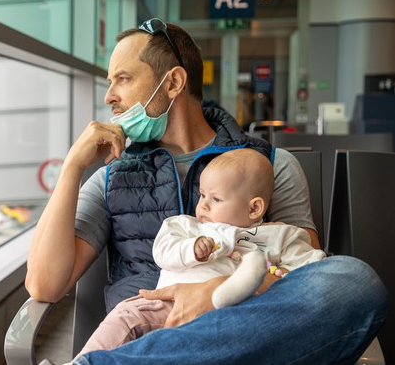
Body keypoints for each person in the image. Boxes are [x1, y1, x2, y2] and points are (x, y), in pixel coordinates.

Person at [26, 18, 388, 364]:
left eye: (122, 79)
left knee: (354, 280)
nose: (109, 97)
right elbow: (44, 286)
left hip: (243, 339)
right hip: (147, 334)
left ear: (173, 83)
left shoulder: (270, 165)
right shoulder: (111, 178)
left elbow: (306, 280)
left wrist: (215, 293)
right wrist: (73, 166)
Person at [68, 148, 326, 360]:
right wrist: (192, 250)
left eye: (216, 199)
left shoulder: (276, 235)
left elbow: (314, 270)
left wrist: (281, 276)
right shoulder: (186, 226)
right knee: (126, 316)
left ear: (254, 208)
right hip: (168, 306)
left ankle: (248, 276)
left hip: (238, 315)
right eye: (202, 195)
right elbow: (162, 252)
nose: (202, 204)